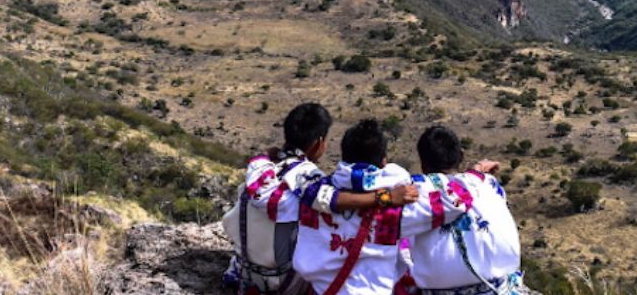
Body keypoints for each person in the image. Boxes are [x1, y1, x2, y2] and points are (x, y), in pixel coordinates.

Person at [222, 104, 418, 295]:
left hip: (243, 274)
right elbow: (330, 200)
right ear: (319, 142)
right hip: (282, 281)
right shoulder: (307, 176)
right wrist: (385, 197)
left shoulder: (261, 167)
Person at [293, 119, 476, 295]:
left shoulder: (314, 194)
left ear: (344, 156)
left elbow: (303, 185)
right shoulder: (397, 210)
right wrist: (412, 181)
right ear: (383, 162)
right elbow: (459, 200)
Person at [402, 125, 524, 295]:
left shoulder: (414, 194)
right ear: (461, 155)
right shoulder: (488, 183)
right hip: (502, 289)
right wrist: (477, 171)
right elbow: (459, 186)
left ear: (423, 165)